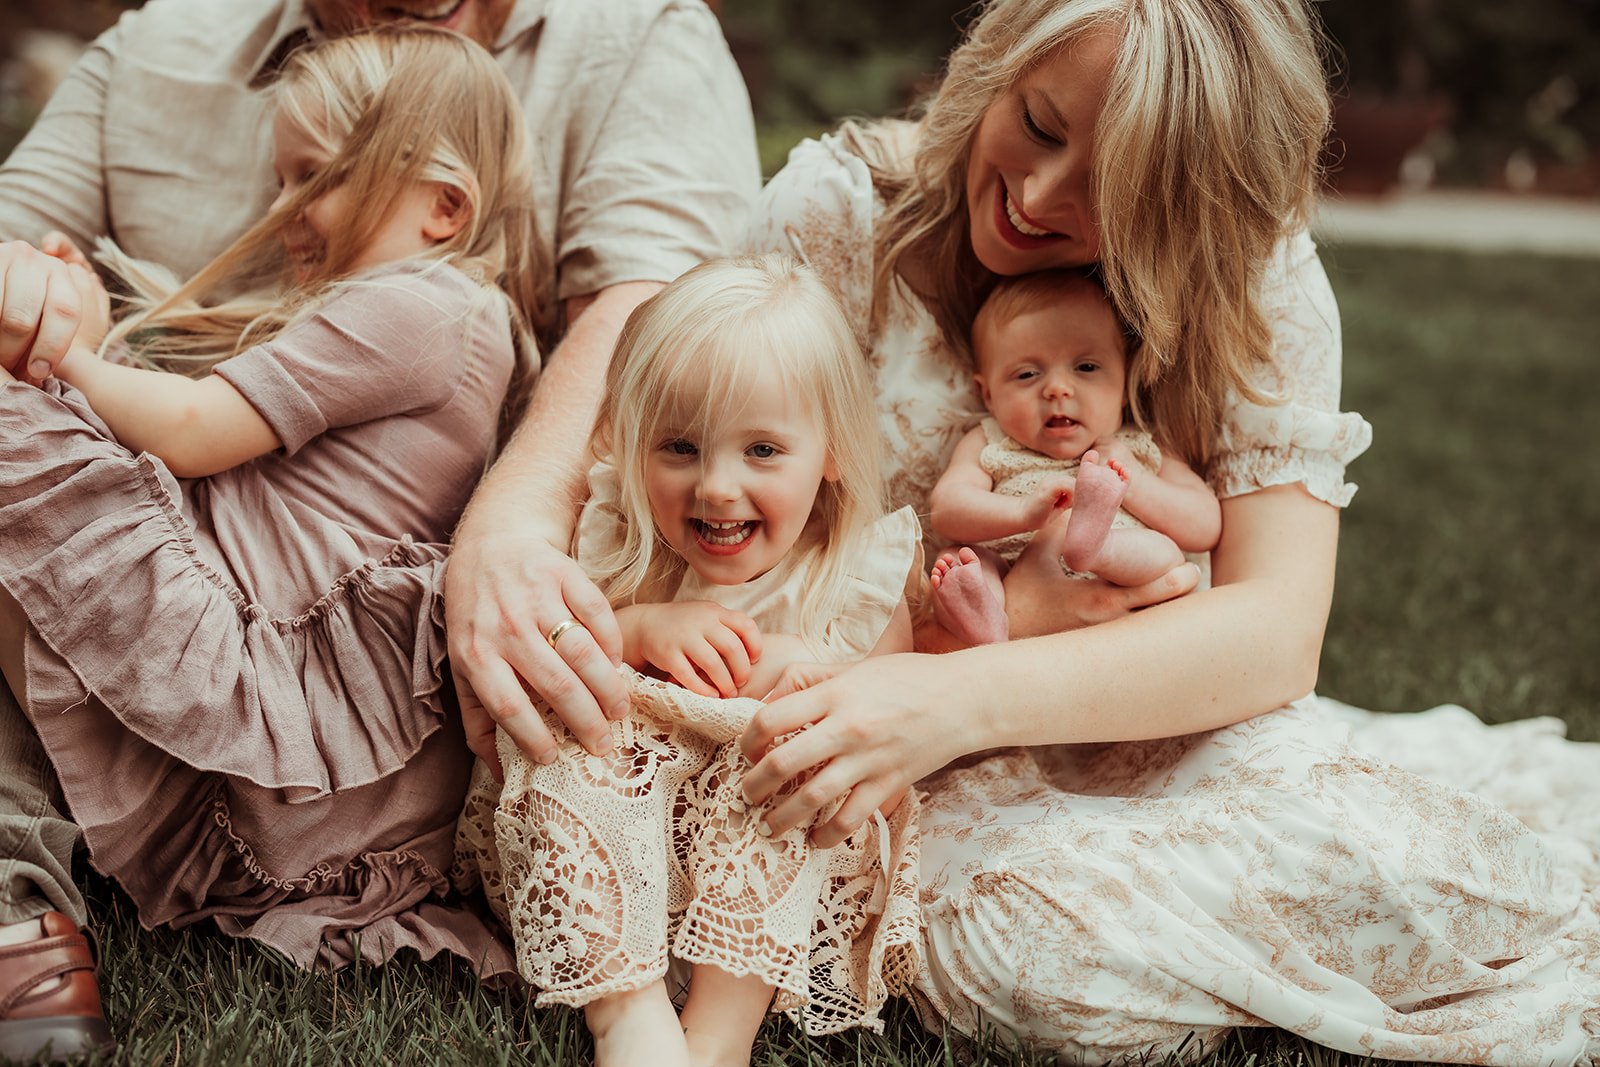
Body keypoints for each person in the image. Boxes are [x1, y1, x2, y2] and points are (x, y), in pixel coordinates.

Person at [460, 0, 1600, 1060]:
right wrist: (526, 530)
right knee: (1053, 964)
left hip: (1143, 706)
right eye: (1035, 124)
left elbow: (1271, 632)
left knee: (1440, 881)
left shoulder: (1252, 277)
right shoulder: (836, 215)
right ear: (995, 65)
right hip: (877, 738)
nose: (1038, 197)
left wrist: (947, 700)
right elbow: (669, 402)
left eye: (1110, 189)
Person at [0, 0, 757, 1056]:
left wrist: (71, 355)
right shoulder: (444, 308)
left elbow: (192, 427)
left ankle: (14, 896)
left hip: (256, 684)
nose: (284, 210)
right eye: (283, 177)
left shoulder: (417, 308)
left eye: (312, 178)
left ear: (442, 204)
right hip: (282, 717)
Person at [453, 254, 923, 1067]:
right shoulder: (617, 540)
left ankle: (716, 1037)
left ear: (833, 453)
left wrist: (809, 672)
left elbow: (894, 709)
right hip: (617, 862)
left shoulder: (855, 576)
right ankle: (625, 1011)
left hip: (757, 873)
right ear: (633, 447)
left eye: (763, 450)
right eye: (679, 446)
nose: (716, 486)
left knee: (797, 767)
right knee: (580, 732)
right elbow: (545, 670)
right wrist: (635, 631)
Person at [927, 269, 1220, 645]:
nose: (1058, 389)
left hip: (1117, 575)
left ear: (1125, 382)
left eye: (1086, 367)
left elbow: (1204, 524)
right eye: (1027, 374)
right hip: (1014, 572)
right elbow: (947, 509)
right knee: (961, 562)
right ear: (987, 395)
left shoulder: (1137, 446)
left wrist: (1133, 482)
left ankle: (1098, 547)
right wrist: (1024, 513)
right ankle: (987, 621)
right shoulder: (990, 441)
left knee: (1165, 553)